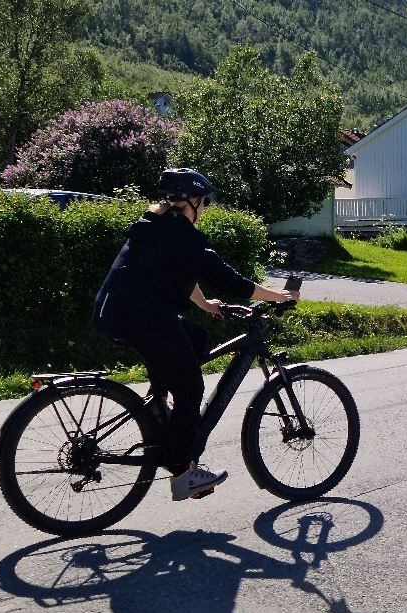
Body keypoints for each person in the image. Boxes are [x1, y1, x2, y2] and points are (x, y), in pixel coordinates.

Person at [93, 169, 298, 501]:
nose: (205, 208)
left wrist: (204, 304)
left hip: (114, 313)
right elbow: (227, 278)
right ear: (192, 201)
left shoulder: (154, 224)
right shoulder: (182, 236)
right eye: (204, 202)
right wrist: (278, 296)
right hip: (142, 318)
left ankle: (160, 409)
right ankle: (183, 471)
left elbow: (178, 272)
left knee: (196, 340)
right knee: (191, 387)